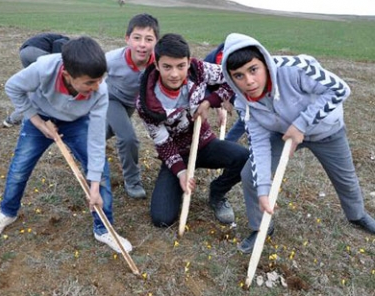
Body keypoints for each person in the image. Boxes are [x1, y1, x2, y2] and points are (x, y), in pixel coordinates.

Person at [221, 33, 375, 253]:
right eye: (239, 75)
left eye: (253, 69)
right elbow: (259, 144)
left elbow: (339, 89)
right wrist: (264, 190)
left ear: (264, 62)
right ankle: (261, 227)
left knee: (346, 178)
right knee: (250, 175)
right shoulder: (243, 102)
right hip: (281, 134)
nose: (249, 81)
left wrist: (301, 124)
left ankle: (357, 215)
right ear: (231, 78)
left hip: (325, 130)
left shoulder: (294, 68)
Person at [0, 36, 133, 253]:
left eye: (100, 79)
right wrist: (37, 122)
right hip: (40, 118)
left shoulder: (100, 91)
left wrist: (94, 187)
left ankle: (103, 228)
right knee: (19, 168)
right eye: (89, 82)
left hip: (77, 122)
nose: (97, 86)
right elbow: (13, 87)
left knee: (100, 173)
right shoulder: (44, 69)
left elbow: (97, 140)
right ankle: (8, 212)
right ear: (67, 75)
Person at [135, 33, 249, 228]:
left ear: (188, 63)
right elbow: (163, 143)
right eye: (167, 67)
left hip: (204, 143)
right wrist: (180, 173)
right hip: (176, 153)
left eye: (181, 66)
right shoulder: (147, 104)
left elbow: (230, 79)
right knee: (162, 219)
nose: (174, 74)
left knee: (244, 158)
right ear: (156, 65)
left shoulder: (198, 70)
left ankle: (217, 192)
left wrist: (210, 101)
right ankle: (176, 180)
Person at [104, 13, 159, 199]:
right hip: (110, 99)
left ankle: (83, 144)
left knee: (101, 133)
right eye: (137, 38)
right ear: (127, 39)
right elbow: (89, 73)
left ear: (156, 42)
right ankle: (133, 181)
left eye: (148, 39)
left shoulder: (159, 64)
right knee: (128, 138)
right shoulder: (112, 60)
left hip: (130, 104)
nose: (142, 44)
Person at [2, 32, 70, 128]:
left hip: (24, 52)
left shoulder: (53, 37)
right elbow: (58, 48)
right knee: (48, 88)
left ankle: (12, 119)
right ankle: (48, 116)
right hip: (38, 52)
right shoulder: (67, 41)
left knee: (34, 87)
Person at [204, 42, 245, 142]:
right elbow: (204, 86)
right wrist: (219, 107)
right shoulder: (209, 62)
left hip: (237, 86)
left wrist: (229, 99)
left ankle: (228, 141)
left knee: (246, 115)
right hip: (210, 87)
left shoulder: (241, 61)